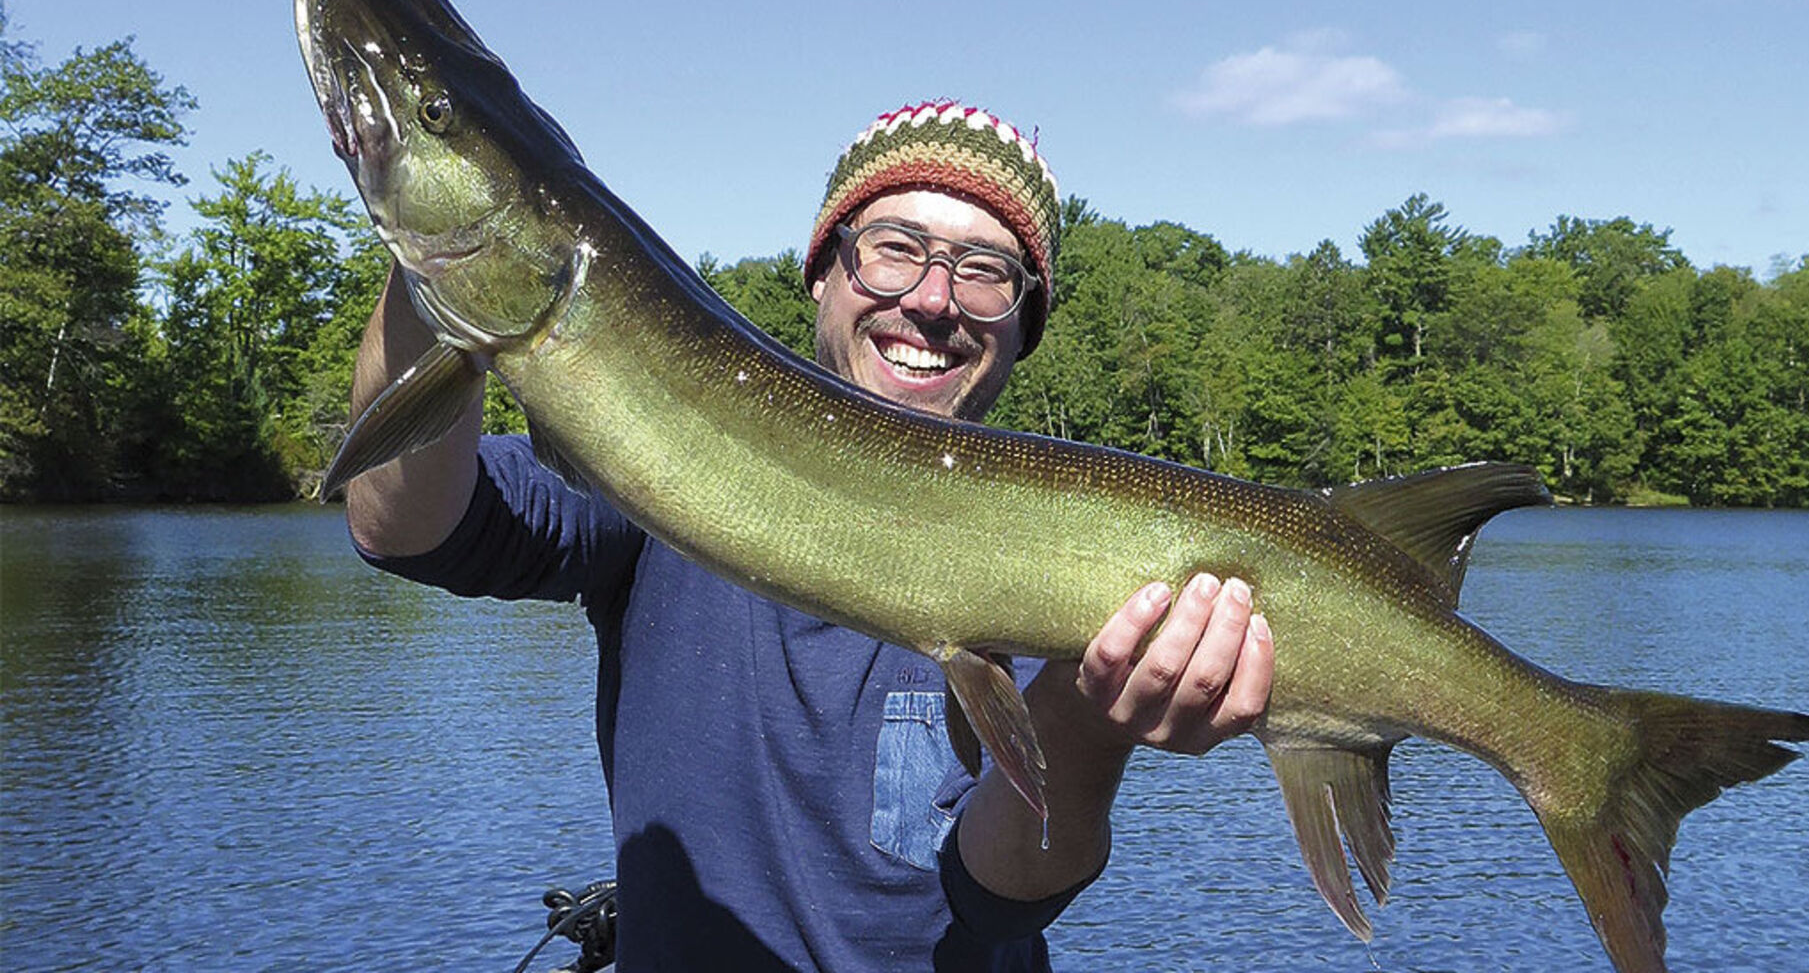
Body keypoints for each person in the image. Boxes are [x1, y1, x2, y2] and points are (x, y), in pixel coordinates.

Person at [346, 101, 1273, 971]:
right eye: (894, 249)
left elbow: (1001, 896)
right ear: (824, 272)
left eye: (987, 270)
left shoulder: (1076, 561)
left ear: (1022, 327)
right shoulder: (651, 457)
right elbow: (406, 524)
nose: (933, 299)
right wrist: (439, 242)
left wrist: (1088, 723)